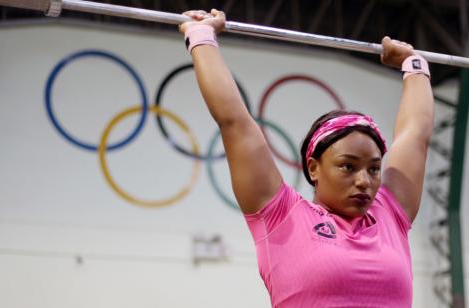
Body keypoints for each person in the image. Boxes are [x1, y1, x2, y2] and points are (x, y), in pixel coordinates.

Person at [179, 9, 433, 308]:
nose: (364, 181)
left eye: (374, 169)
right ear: (314, 168)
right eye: (348, 167)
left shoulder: (390, 213)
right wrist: (201, 36)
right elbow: (235, 121)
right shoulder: (282, 216)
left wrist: (413, 64)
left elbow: (415, 134)